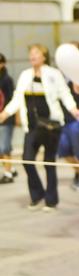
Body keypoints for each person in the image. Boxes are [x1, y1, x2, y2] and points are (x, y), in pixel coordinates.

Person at [0, 44, 79, 211]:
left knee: (49, 163)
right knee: (27, 160)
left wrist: (73, 109)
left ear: (44, 56)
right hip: (32, 127)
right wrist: (5, 114)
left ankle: (51, 200)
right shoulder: (25, 75)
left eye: (36, 53)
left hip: (51, 126)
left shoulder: (53, 74)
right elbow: (17, 98)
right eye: (31, 53)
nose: (32, 56)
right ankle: (37, 195)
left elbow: (64, 93)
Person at [0, 53, 16, 183]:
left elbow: (11, 100)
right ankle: (11, 168)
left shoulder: (6, 80)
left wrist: (7, 115)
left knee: (4, 147)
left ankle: (8, 174)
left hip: (5, 118)